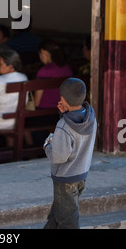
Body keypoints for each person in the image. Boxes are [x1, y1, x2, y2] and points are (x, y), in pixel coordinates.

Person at [43, 77, 97, 229]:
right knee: (57, 215)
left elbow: (59, 157)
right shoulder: (90, 116)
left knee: (68, 222)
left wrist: (48, 144)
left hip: (65, 180)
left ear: (62, 99)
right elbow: (76, 130)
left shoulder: (63, 126)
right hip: (80, 175)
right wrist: (65, 114)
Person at [34, 40, 73, 109]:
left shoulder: (44, 71)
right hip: (64, 111)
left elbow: (36, 103)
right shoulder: (67, 69)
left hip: (44, 112)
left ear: (43, 52)